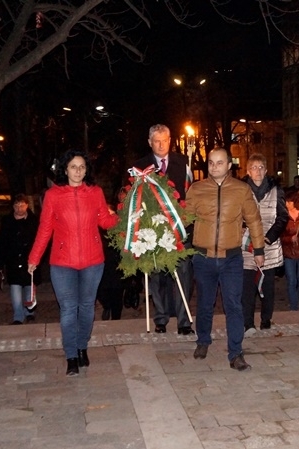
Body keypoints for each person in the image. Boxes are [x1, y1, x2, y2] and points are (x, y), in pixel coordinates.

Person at [28, 149, 118, 377]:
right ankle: (71, 356)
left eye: (82, 167)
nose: (78, 171)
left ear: (86, 170)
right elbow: (45, 228)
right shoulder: (53, 195)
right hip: (62, 262)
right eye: (73, 167)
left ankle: (82, 347)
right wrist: (34, 258)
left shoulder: (95, 193)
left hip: (92, 261)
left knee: (87, 308)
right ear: (65, 169)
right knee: (68, 309)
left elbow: (105, 221)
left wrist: (125, 216)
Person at [186, 147, 265, 371]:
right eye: (211, 163)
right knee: (204, 303)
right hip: (203, 257)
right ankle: (203, 340)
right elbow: (184, 217)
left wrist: (259, 249)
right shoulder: (197, 189)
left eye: (220, 163)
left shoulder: (241, 190)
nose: (214, 167)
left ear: (229, 165)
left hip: (231, 258)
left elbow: (254, 220)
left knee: (233, 305)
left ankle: (236, 352)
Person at [131, 124, 194, 335]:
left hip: (179, 229)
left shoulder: (182, 163)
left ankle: (184, 321)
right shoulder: (140, 166)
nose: (161, 144)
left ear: (170, 140)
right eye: (156, 141)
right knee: (156, 275)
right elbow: (134, 198)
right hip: (153, 229)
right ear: (150, 142)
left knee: (183, 274)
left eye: (165, 140)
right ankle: (160, 318)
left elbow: (189, 193)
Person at [240, 154, 288, 335]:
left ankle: (266, 319)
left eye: (261, 167)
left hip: (269, 245)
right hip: (247, 246)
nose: (257, 171)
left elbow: (283, 217)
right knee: (247, 287)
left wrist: (269, 237)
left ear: (266, 170)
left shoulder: (277, 190)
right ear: (248, 171)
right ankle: (248, 323)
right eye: (253, 167)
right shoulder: (241, 190)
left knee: (268, 286)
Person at [0, 194, 39, 325]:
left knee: (29, 288)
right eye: (16, 205)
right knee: (15, 290)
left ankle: (30, 312)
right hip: (13, 261)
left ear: (27, 206)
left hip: (29, 260)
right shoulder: (7, 221)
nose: (19, 208)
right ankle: (18, 316)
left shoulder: (33, 221)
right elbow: (1, 242)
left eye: (22, 205)